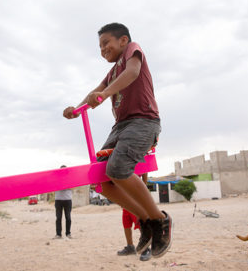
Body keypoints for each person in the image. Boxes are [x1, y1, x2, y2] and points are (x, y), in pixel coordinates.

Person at [63, 23, 172, 258]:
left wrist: (104, 95)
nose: (102, 49)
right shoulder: (111, 73)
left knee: (118, 167)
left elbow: (132, 73)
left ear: (123, 40)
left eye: (106, 43)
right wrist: (77, 109)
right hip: (120, 127)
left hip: (144, 121)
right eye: (99, 46)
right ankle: (144, 220)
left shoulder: (133, 50)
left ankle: (159, 220)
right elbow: (97, 90)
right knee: (98, 179)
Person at [117, 173, 151, 261]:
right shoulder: (120, 162)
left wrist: (143, 189)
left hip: (135, 194)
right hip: (125, 196)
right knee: (126, 223)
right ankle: (130, 247)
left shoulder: (134, 161)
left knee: (139, 222)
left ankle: (146, 248)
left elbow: (145, 171)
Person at [54, 165, 73, 239]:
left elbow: (74, 187)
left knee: (68, 218)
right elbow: (53, 186)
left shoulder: (70, 178)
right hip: (58, 200)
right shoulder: (56, 179)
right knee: (58, 218)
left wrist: (65, 185)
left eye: (64, 170)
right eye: (62, 170)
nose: (63, 171)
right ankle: (58, 234)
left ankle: (68, 233)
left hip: (68, 200)